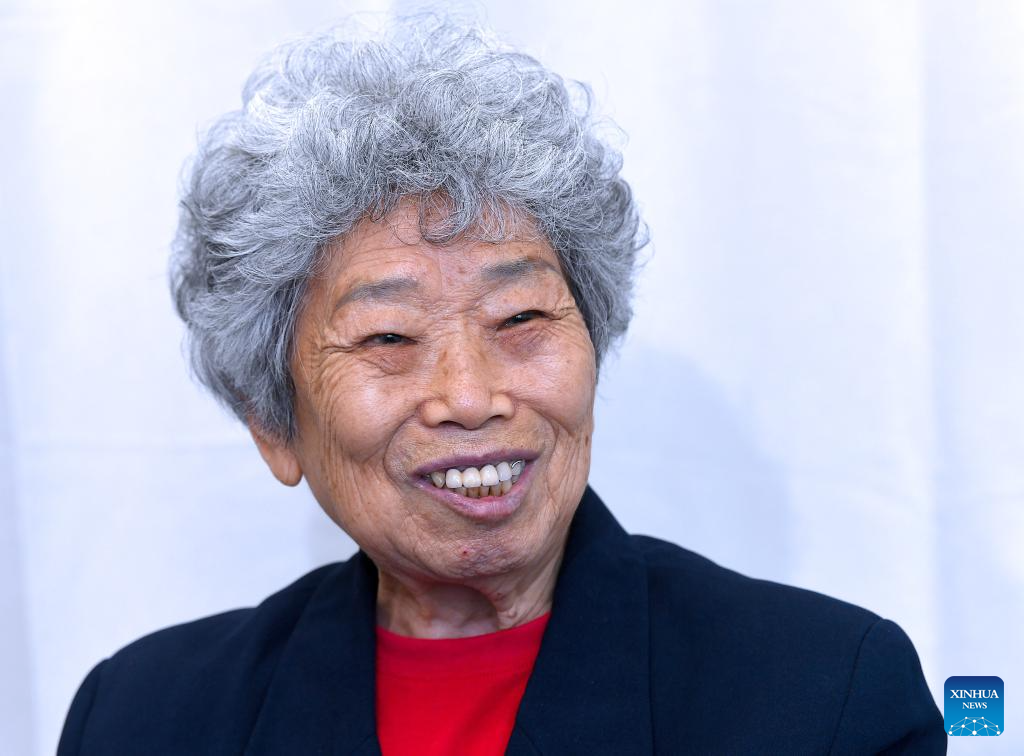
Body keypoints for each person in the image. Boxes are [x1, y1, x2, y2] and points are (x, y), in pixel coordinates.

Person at [58, 15, 944, 755]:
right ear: (274, 425)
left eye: (519, 318)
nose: (471, 396)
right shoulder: (142, 720)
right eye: (389, 336)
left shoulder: (828, 698)